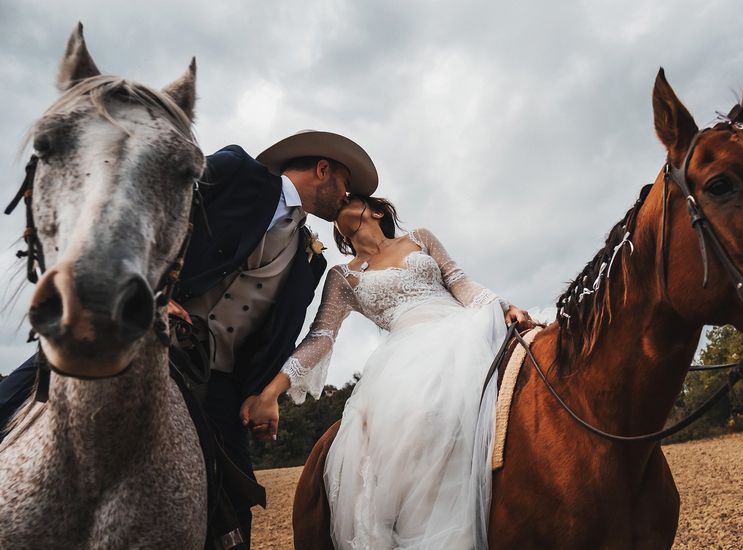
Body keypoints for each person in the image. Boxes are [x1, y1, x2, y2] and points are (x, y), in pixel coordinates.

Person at [0, 129, 379, 548]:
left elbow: (277, 333)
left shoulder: (313, 259)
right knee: (17, 393)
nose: (347, 195)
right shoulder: (238, 171)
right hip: (143, 331)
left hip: (219, 378)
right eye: (345, 182)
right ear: (322, 169)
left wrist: (260, 394)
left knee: (236, 503)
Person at [244, 194, 534, 549]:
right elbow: (321, 337)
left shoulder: (420, 238)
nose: (341, 203)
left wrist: (503, 306)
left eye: (350, 198)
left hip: (464, 329)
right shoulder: (341, 276)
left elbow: (460, 283)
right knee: (425, 413)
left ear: (376, 211)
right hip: (408, 351)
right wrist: (271, 391)